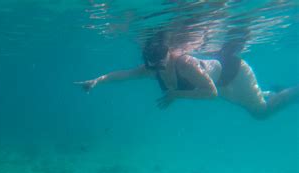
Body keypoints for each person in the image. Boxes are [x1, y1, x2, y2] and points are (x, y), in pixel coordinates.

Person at [75, 34, 298, 120]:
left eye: (160, 66)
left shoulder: (185, 64)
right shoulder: (153, 65)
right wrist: (98, 80)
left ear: (169, 55)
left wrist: (176, 94)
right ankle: (270, 92)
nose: (157, 72)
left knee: (260, 112)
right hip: (218, 82)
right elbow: (126, 75)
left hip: (235, 74)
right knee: (246, 102)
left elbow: (211, 93)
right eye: (152, 68)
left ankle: (292, 92)